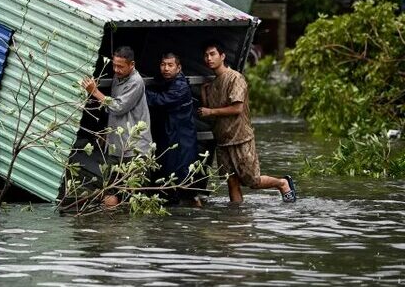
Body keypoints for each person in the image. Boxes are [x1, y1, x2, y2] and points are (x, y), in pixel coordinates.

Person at [198, 42, 296, 203]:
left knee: (253, 181)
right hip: (223, 141)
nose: (209, 58)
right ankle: (237, 220)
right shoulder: (213, 84)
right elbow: (210, 113)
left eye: (212, 54)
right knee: (231, 182)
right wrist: (204, 94)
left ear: (222, 56)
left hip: (240, 138)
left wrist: (210, 111)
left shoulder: (235, 78)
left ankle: (282, 183)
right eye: (206, 55)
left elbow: (237, 108)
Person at [82, 46, 153, 205]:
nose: (116, 69)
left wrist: (95, 92)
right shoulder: (117, 78)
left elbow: (118, 107)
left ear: (132, 65)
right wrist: (108, 132)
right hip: (116, 146)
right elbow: (112, 112)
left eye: (120, 66)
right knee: (110, 191)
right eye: (114, 65)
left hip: (135, 149)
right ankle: (111, 229)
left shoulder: (136, 81)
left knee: (136, 198)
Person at [146, 53, 200, 204]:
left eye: (170, 65)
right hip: (172, 138)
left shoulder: (180, 86)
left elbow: (160, 100)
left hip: (182, 141)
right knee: (170, 180)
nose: (166, 68)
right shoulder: (166, 82)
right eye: (163, 65)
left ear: (179, 67)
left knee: (183, 183)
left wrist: (140, 91)